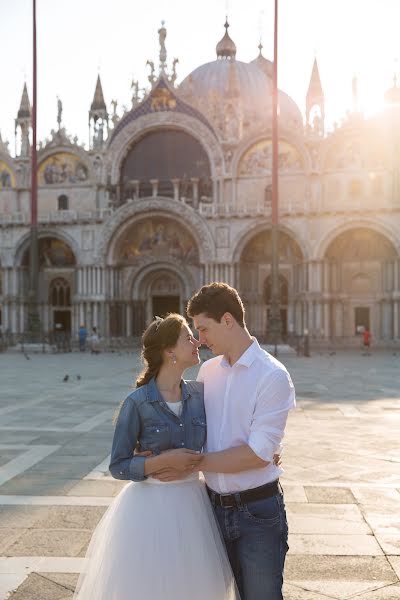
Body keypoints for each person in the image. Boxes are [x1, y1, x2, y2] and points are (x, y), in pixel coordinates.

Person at [73, 314, 238, 600]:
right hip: (149, 510)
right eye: (188, 337)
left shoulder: (201, 394)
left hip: (194, 506)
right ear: (169, 351)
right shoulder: (136, 402)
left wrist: (268, 451)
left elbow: (229, 430)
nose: (197, 341)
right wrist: (160, 462)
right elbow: (118, 465)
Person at [184, 282, 295, 600]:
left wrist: (196, 462)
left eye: (204, 329)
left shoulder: (272, 375)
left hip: (256, 513)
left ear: (228, 320)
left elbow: (258, 454)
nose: (201, 340)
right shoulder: (207, 372)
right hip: (211, 511)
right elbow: (192, 428)